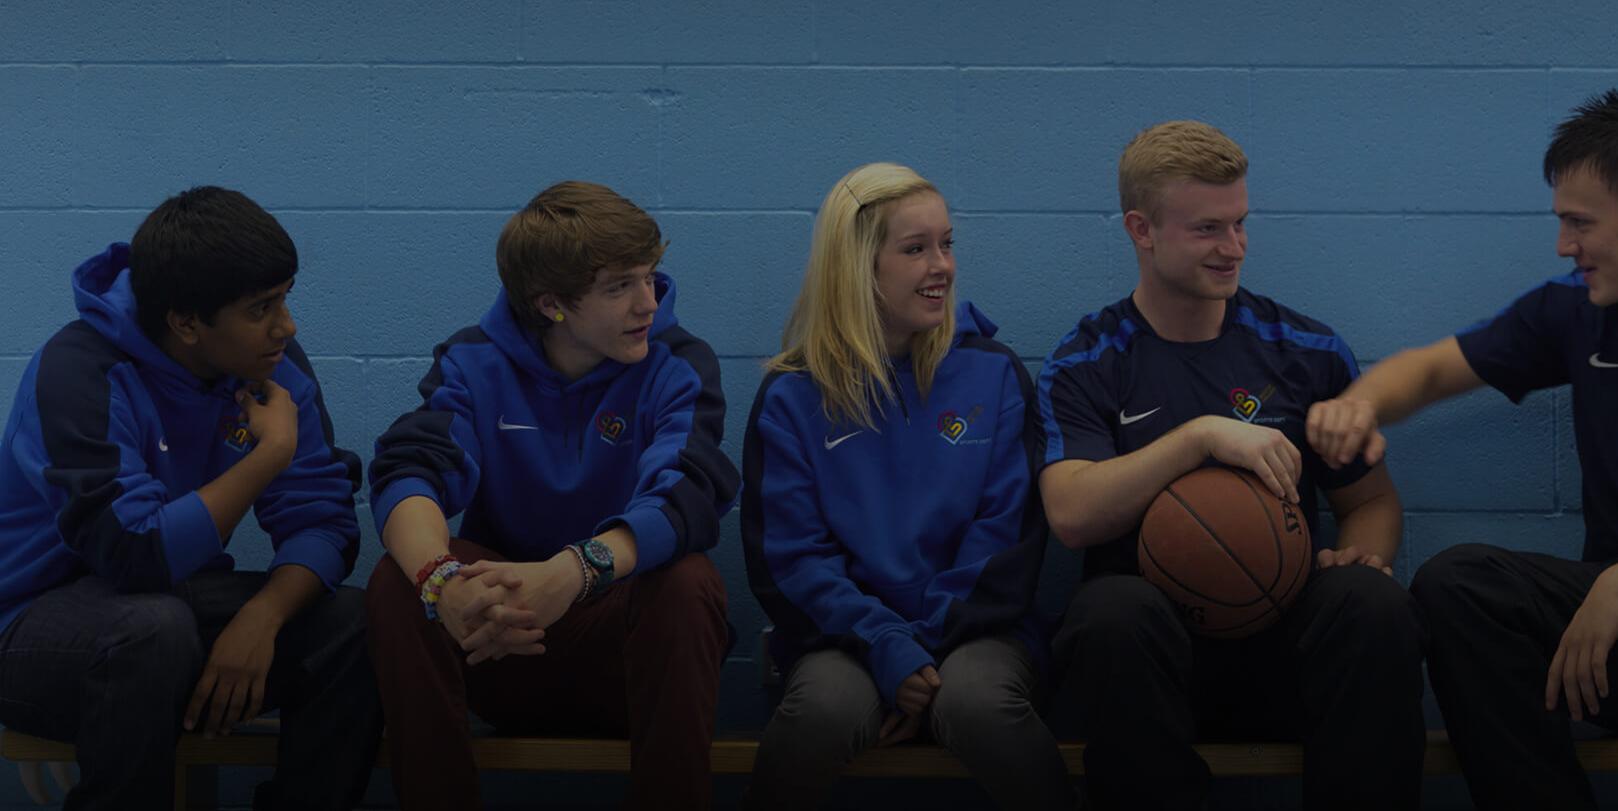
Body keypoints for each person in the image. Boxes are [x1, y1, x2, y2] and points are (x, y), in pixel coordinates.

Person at [1309, 88, 1618, 810]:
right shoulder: (1580, 306)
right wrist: (1361, 404)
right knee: (1456, 583)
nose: (1565, 245)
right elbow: (1434, 370)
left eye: (1580, 223)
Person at [1039, 121, 1426, 810]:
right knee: (1110, 612)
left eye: (1241, 224)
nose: (1234, 247)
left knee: (1374, 603)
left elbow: (1370, 501)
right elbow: (1071, 515)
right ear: (1141, 229)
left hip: (1284, 648)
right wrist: (1199, 438)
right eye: (1208, 229)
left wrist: (1363, 553)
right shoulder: (1086, 362)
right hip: (1156, 664)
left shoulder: (1305, 351)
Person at [0, 187, 379, 810]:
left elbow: (326, 523)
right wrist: (269, 456)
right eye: (261, 308)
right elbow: (134, 553)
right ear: (186, 323)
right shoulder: (80, 371)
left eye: (285, 298)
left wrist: (263, 618)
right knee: (154, 629)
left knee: (356, 622)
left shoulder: (274, 363)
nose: (286, 326)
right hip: (33, 629)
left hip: (169, 610)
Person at [363, 180, 736, 811]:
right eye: (619, 287)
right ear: (551, 304)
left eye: (650, 277)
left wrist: (575, 571)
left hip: (620, 661)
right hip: (498, 646)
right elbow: (412, 469)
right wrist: (441, 582)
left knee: (689, 580)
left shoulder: (677, 363)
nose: (649, 302)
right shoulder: (473, 362)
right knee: (400, 581)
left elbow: (688, 491)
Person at [739, 163, 1075, 811]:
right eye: (916, 249)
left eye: (946, 244)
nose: (942, 265)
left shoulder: (993, 373)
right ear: (856, 267)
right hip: (846, 638)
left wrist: (920, 651)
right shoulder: (792, 395)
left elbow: (1006, 538)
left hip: (978, 632)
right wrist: (885, 644)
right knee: (820, 712)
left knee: (976, 704)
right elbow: (792, 558)